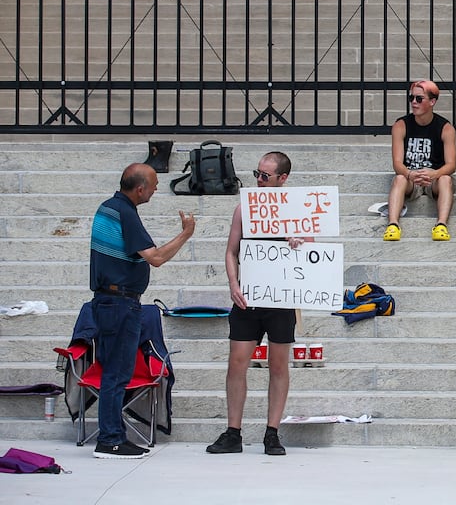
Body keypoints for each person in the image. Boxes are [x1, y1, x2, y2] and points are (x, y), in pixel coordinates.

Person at [87, 163, 195, 459]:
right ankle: (110, 440)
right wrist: (186, 234)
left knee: (115, 372)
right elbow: (156, 258)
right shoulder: (124, 212)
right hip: (120, 303)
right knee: (117, 373)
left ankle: (113, 436)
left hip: (110, 302)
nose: (157, 188)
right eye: (154, 184)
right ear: (140, 189)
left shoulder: (109, 207)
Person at [206, 151, 305, 457]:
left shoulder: (296, 210)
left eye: (265, 176)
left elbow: (311, 252)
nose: (259, 180)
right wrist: (233, 284)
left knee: (278, 364)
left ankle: (272, 432)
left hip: (280, 297)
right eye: (257, 174)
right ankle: (233, 431)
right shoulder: (243, 209)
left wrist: (296, 241)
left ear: (282, 179)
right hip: (248, 296)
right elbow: (230, 251)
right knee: (237, 362)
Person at [385, 79, 456, 241]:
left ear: (432, 101)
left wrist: (434, 174)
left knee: (446, 179)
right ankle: (393, 225)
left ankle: (441, 225)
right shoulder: (401, 125)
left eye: (419, 99)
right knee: (399, 178)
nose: (414, 102)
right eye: (411, 98)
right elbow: (397, 163)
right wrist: (410, 174)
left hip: (435, 177)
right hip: (410, 176)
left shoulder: (445, 128)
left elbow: (451, 165)